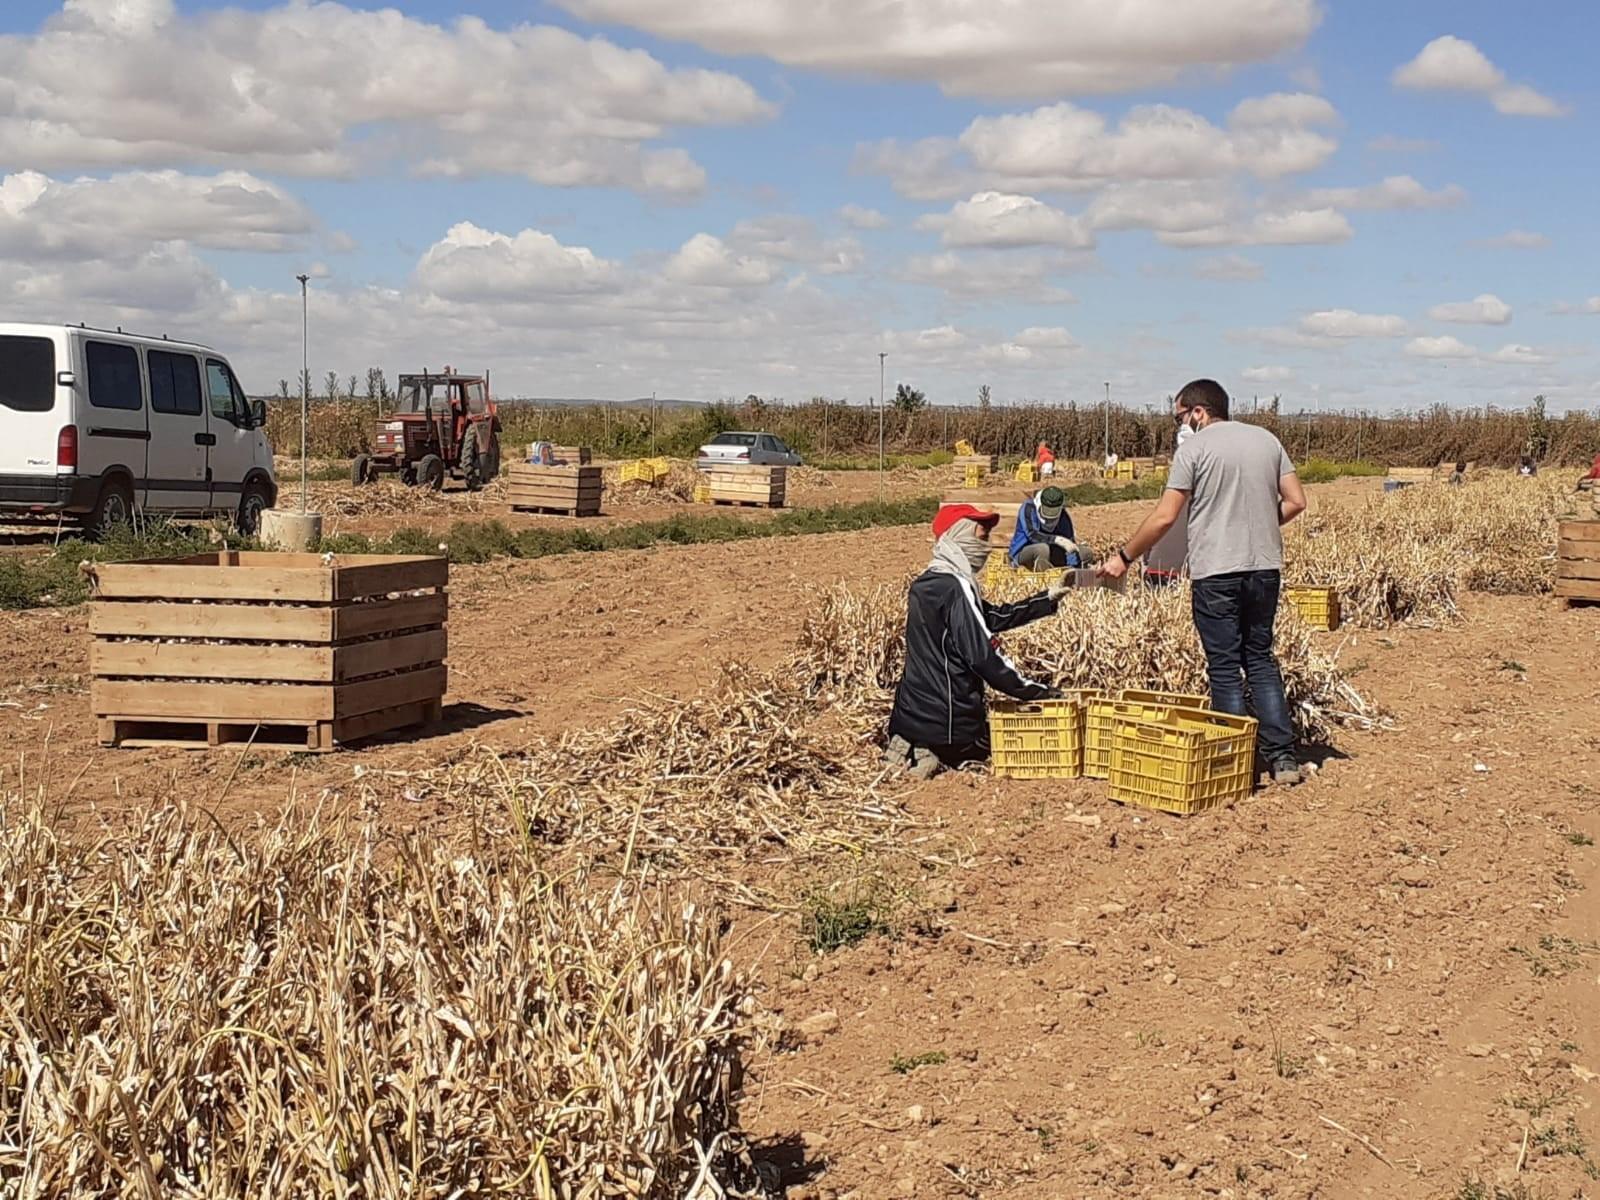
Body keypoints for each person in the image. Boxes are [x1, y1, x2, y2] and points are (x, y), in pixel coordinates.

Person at [1098, 379, 1308, 785]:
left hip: (1216, 571)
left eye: (1180, 416)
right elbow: (1297, 500)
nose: (1181, 424)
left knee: (1225, 667)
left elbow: (1164, 517)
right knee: (1261, 660)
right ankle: (1283, 759)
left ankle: (1235, 762)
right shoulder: (1267, 440)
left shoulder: (1192, 449)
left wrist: (1124, 557)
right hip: (1265, 568)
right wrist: (1262, 523)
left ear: (1198, 411)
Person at [885, 504, 1070, 778]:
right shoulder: (955, 587)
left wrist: (1046, 599)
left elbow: (990, 616)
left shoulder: (926, 583)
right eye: (982, 536)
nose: (985, 547)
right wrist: (1036, 691)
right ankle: (935, 751)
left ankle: (913, 744)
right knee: (988, 744)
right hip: (949, 722)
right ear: (958, 535)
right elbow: (983, 656)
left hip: (909, 716)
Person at [1009, 485, 1082, 570]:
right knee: (1042, 549)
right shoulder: (1029, 508)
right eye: (1047, 510)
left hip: (1052, 555)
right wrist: (1057, 540)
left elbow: (1069, 542)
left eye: (1054, 511)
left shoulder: (1063, 517)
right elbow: (1032, 535)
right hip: (1024, 553)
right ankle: (1042, 580)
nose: (1050, 516)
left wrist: (1073, 566)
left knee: (1084, 553)